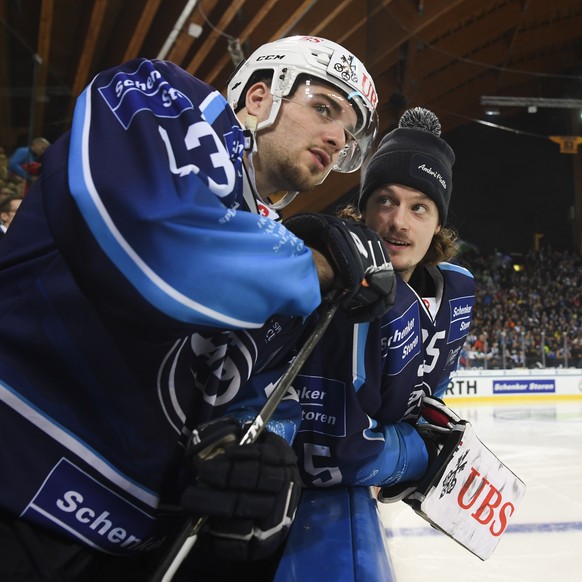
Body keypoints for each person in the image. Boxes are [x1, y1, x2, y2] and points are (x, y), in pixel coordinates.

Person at [0, 36, 394, 581]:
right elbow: (149, 248)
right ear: (260, 97)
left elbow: (231, 400)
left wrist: (252, 469)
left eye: (348, 135)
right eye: (324, 108)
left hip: (129, 550)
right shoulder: (159, 97)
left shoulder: (275, 267)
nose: (336, 136)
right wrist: (313, 266)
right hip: (15, 482)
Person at [238, 107, 475, 492]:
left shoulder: (455, 292)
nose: (398, 222)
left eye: (419, 208)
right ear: (361, 210)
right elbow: (340, 453)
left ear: (437, 225)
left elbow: (428, 396)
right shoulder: (321, 285)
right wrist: (422, 454)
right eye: (385, 201)